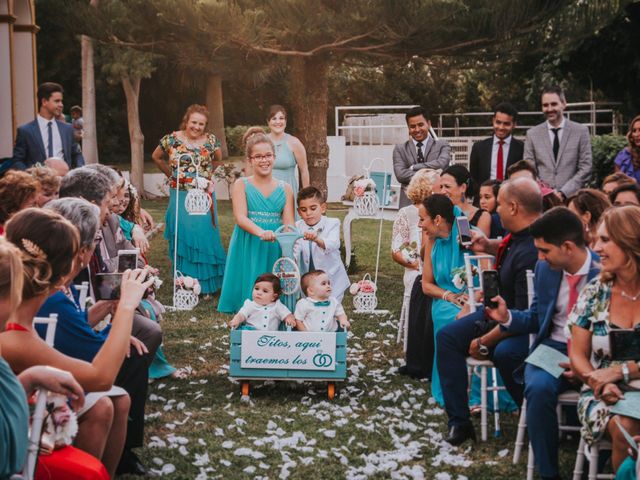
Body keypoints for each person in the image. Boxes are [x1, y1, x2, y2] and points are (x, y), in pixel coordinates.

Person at [0, 208, 153, 477]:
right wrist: (127, 305)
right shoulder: (15, 336)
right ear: (63, 273)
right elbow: (101, 377)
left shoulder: (19, 324)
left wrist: (32, 377)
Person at [486, 207, 600, 480]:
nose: (539, 257)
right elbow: (537, 317)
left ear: (568, 247)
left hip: (597, 352)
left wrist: (587, 367)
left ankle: (594, 464)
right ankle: (549, 473)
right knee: (537, 387)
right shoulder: (545, 269)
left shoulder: (604, 272)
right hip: (555, 346)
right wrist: (508, 317)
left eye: (545, 251)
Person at [436, 177, 542, 445]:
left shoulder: (532, 250)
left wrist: (483, 342)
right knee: (447, 337)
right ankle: (459, 422)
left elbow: (524, 314)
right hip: (495, 312)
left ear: (515, 207)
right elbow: (508, 247)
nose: (497, 212)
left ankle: (534, 414)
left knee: (505, 352)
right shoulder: (519, 237)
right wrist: (489, 246)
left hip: (518, 323)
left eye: (502, 205)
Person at [35, 199, 133, 477]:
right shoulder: (52, 294)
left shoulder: (56, 285)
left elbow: (72, 327)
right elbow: (98, 370)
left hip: (48, 373)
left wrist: (100, 314)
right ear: (83, 251)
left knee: (120, 399)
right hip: (41, 391)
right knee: (102, 402)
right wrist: (124, 308)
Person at [568, 206, 640, 474]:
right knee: (627, 427)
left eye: (605, 240)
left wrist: (623, 370)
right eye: (596, 239)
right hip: (604, 394)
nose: (596, 247)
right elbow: (578, 354)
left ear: (630, 239)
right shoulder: (596, 292)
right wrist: (596, 381)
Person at [151, 104, 226, 295]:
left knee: (204, 235)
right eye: (194, 122)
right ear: (187, 121)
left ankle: (207, 284)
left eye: (201, 124)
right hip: (180, 193)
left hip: (202, 196)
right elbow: (156, 157)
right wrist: (172, 175)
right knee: (183, 235)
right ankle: (184, 282)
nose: (197, 127)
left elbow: (218, 159)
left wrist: (207, 177)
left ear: (205, 125)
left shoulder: (211, 141)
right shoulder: (172, 139)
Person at [218, 128, 295, 313]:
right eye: (258, 156)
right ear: (251, 160)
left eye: (268, 155)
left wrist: (289, 241)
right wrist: (261, 232)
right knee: (250, 277)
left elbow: (289, 224)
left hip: (274, 242)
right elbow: (240, 217)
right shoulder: (241, 184)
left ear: (274, 158)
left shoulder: (286, 188)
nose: (264, 160)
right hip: (250, 239)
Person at [419, 193, 470, 405]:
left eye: (423, 219)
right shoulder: (432, 242)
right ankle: (452, 388)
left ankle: (473, 390)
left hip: (470, 297)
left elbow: (482, 270)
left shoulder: (467, 235)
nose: (420, 225)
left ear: (437, 219)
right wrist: (449, 295)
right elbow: (426, 285)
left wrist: (471, 296)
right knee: (449, 318)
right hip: (443, 300)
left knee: (468, 317)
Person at [393, 169, 440, 379]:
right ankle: (419, 355)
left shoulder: (441, 212)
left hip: (437, 265)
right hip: (415, 266)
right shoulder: (407, 213)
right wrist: (413, 262)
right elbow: (397, 250)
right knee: (420, 282)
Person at [523, 85, 592, 200]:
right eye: (545, 105)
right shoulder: (532, 134)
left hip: (573, 198)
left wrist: (564, 193)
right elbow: (529, 170)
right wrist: (547, 193)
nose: (549, 109)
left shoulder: (580, 131)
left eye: (554, 104)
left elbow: (586, 168)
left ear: (564, 104)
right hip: (543, 200)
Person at [11, 82, 84, 170]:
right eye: (57, 101)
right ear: (44, 102)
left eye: (61, 101)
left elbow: (77, 154)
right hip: (37, 182)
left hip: (65, 181)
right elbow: (17, 161)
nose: (61, 105)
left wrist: (79, 172)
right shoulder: (25, 131)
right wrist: (30, 176)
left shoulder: (67, 129)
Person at [295, 186, 349, 302]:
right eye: (304, 210)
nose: (308, 213)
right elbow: (295, 249)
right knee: (311, 308)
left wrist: (317, 239)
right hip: (310, 279)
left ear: (323, 208)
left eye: (313, 208)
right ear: (299, 212)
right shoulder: (297, 227)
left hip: (331, 277)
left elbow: (333, 244)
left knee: (332, 308)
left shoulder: (332, 223)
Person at [393, 106, 451, 207]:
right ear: (408, 128)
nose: (417, 129)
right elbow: (401, 175)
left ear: (428, 124)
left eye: (420, 125)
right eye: (412, 126)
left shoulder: (442, 145)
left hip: (436, 204)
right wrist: (431, 175)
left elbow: (442, 163)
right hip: (409, 204)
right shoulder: (400, 149)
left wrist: (414, 167)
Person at [469, 102, 524, 185]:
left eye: (506, 124)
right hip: (484, 196)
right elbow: (474, 180)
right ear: (493, 120)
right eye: (498, 122)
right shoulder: (479, 148)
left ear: (514, 125)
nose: (501, 127)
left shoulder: (522, 149)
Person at [267, 105, 309, 203]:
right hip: (266, 191)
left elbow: (304, 171)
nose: (278, 122)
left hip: (287, 192)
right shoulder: (262, 142)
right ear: (268, 122)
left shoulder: (294, 142)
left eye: (281, 118)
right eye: (274, 118)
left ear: (285, 121)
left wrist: (307, 196)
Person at [229, 273, 295, 330]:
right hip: (250, 336)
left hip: (270, 339)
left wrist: (289, 318)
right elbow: (241, 315)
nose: (259, 293)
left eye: (265, 291)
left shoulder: (277, 306)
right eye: (256, 289)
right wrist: (236, 319)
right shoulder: (250, 305)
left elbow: (287, 314)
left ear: (273, 297)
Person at [439, 164, 491, 236]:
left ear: (463, 187)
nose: (442, 191)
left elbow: (478, 245)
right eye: (441, 187)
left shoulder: (483, 216)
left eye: (447, 186)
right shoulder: (439, 214)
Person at [613, 115, 640, 183]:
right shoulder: (623, 155)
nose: (636, 134)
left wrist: (634, 183)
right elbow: (617, 184)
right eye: (634, 131)